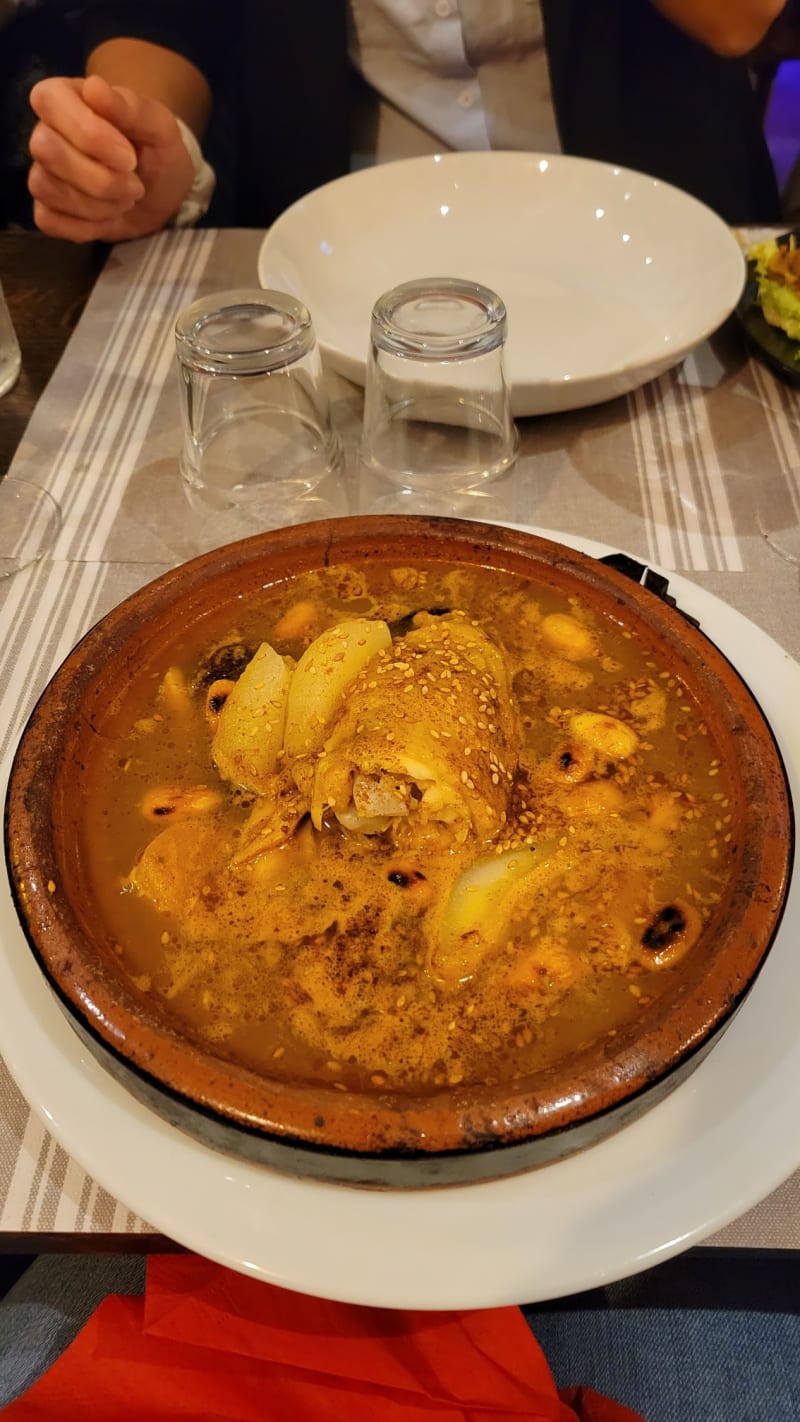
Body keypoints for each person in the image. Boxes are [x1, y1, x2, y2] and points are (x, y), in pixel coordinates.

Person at [20, 0, 788, 242]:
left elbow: (741, 17)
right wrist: (142, 147)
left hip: (657, 240)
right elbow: (160, 16)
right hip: (338, 257)